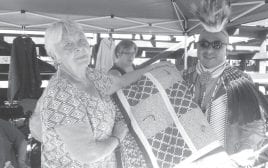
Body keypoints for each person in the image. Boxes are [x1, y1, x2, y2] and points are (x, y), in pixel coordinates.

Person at [32, 20, 170, 167]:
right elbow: (88, 153)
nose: (78, 47)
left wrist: (153, 67)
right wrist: (117, 136)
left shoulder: (90, 75)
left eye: (81, 40)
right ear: (54, 55)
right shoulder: (61, 93)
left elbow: (120, 82)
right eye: (67, 44)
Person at [183, 29, 268, 166]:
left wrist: (244, 153)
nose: (209, 50)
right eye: (204, 44)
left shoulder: (240, 81)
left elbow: (254, 126)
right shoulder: (182, 77)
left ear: (226, 48)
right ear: (197, 46)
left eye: (217, 45)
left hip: (225, 161)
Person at [108, 40, 148, 168]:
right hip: (123, 118)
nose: (131, 56)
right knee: (128, 153)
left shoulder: (135, 68)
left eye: (133, 53)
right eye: (127, 53)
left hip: (137, 115)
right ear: (118, 53)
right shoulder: (114, 72)